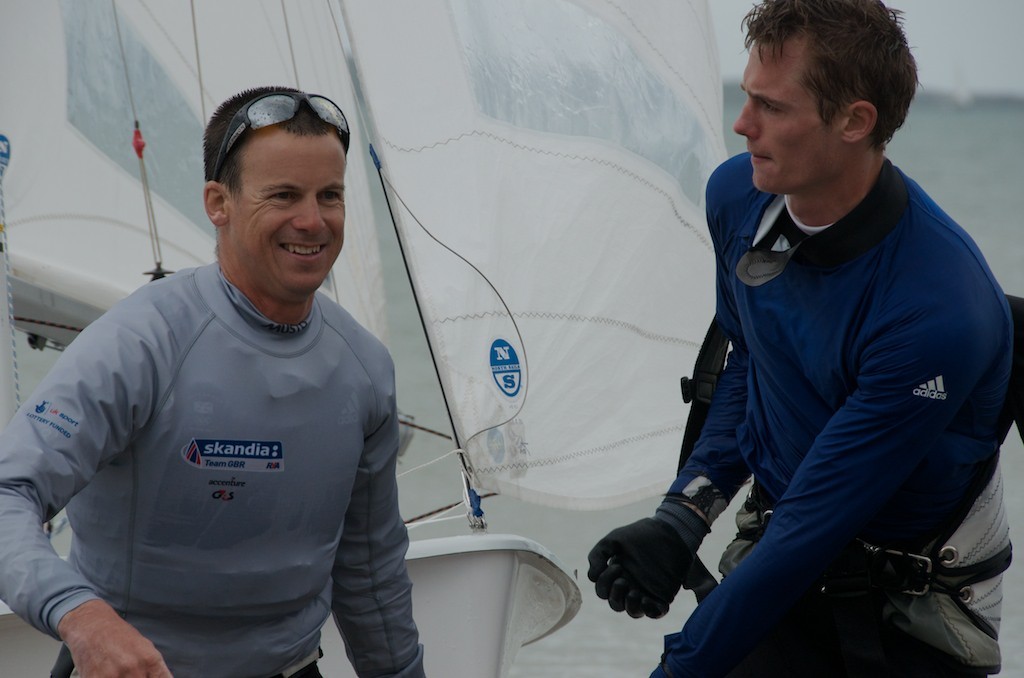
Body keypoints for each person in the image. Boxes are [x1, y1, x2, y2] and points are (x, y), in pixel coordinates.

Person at [587, 1, 1014, 676]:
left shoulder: (937, 309)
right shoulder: (737, 197)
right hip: (782, 563)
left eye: (772, 107)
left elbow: (810, 529)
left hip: (913, 620)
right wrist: (684, 515)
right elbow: (749, 367)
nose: (742, 123)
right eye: (746, 95)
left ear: (854, 121)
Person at [0, 86, 425, 677]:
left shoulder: (365, 366)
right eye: (283, 196)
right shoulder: (140, 344)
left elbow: (371, 573)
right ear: (218, 202)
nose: (313, 220)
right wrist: (79, 614)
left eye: (330, 196)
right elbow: (7, 494)